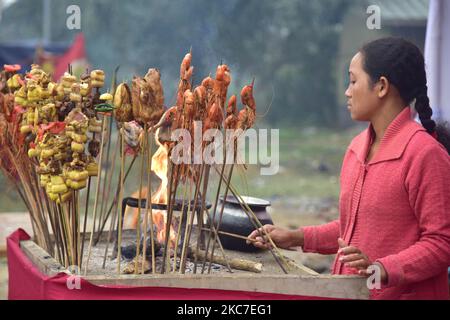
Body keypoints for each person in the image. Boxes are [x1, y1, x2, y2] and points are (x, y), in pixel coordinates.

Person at [247, 37, 450, 300]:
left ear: (382, 87)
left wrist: (382, 269)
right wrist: (295, 237)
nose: (347, 91)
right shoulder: (356, 148)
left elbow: (442, 243)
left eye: (353, 81)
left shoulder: (424, 154)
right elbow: (353, 227)